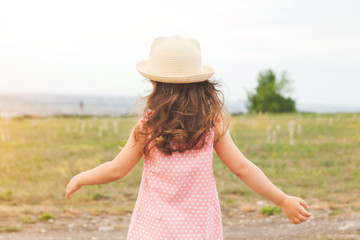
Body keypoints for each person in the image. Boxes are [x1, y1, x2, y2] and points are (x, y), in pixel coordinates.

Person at [66, 35, 312, 239]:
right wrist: (282, 199)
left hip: (154, 231)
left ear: (155, 84)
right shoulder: (210, 125)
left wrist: (81, 178)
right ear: (200, 84)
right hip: (198, 231)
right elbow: (242, 168)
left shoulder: (148, 127)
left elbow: (116, 169)